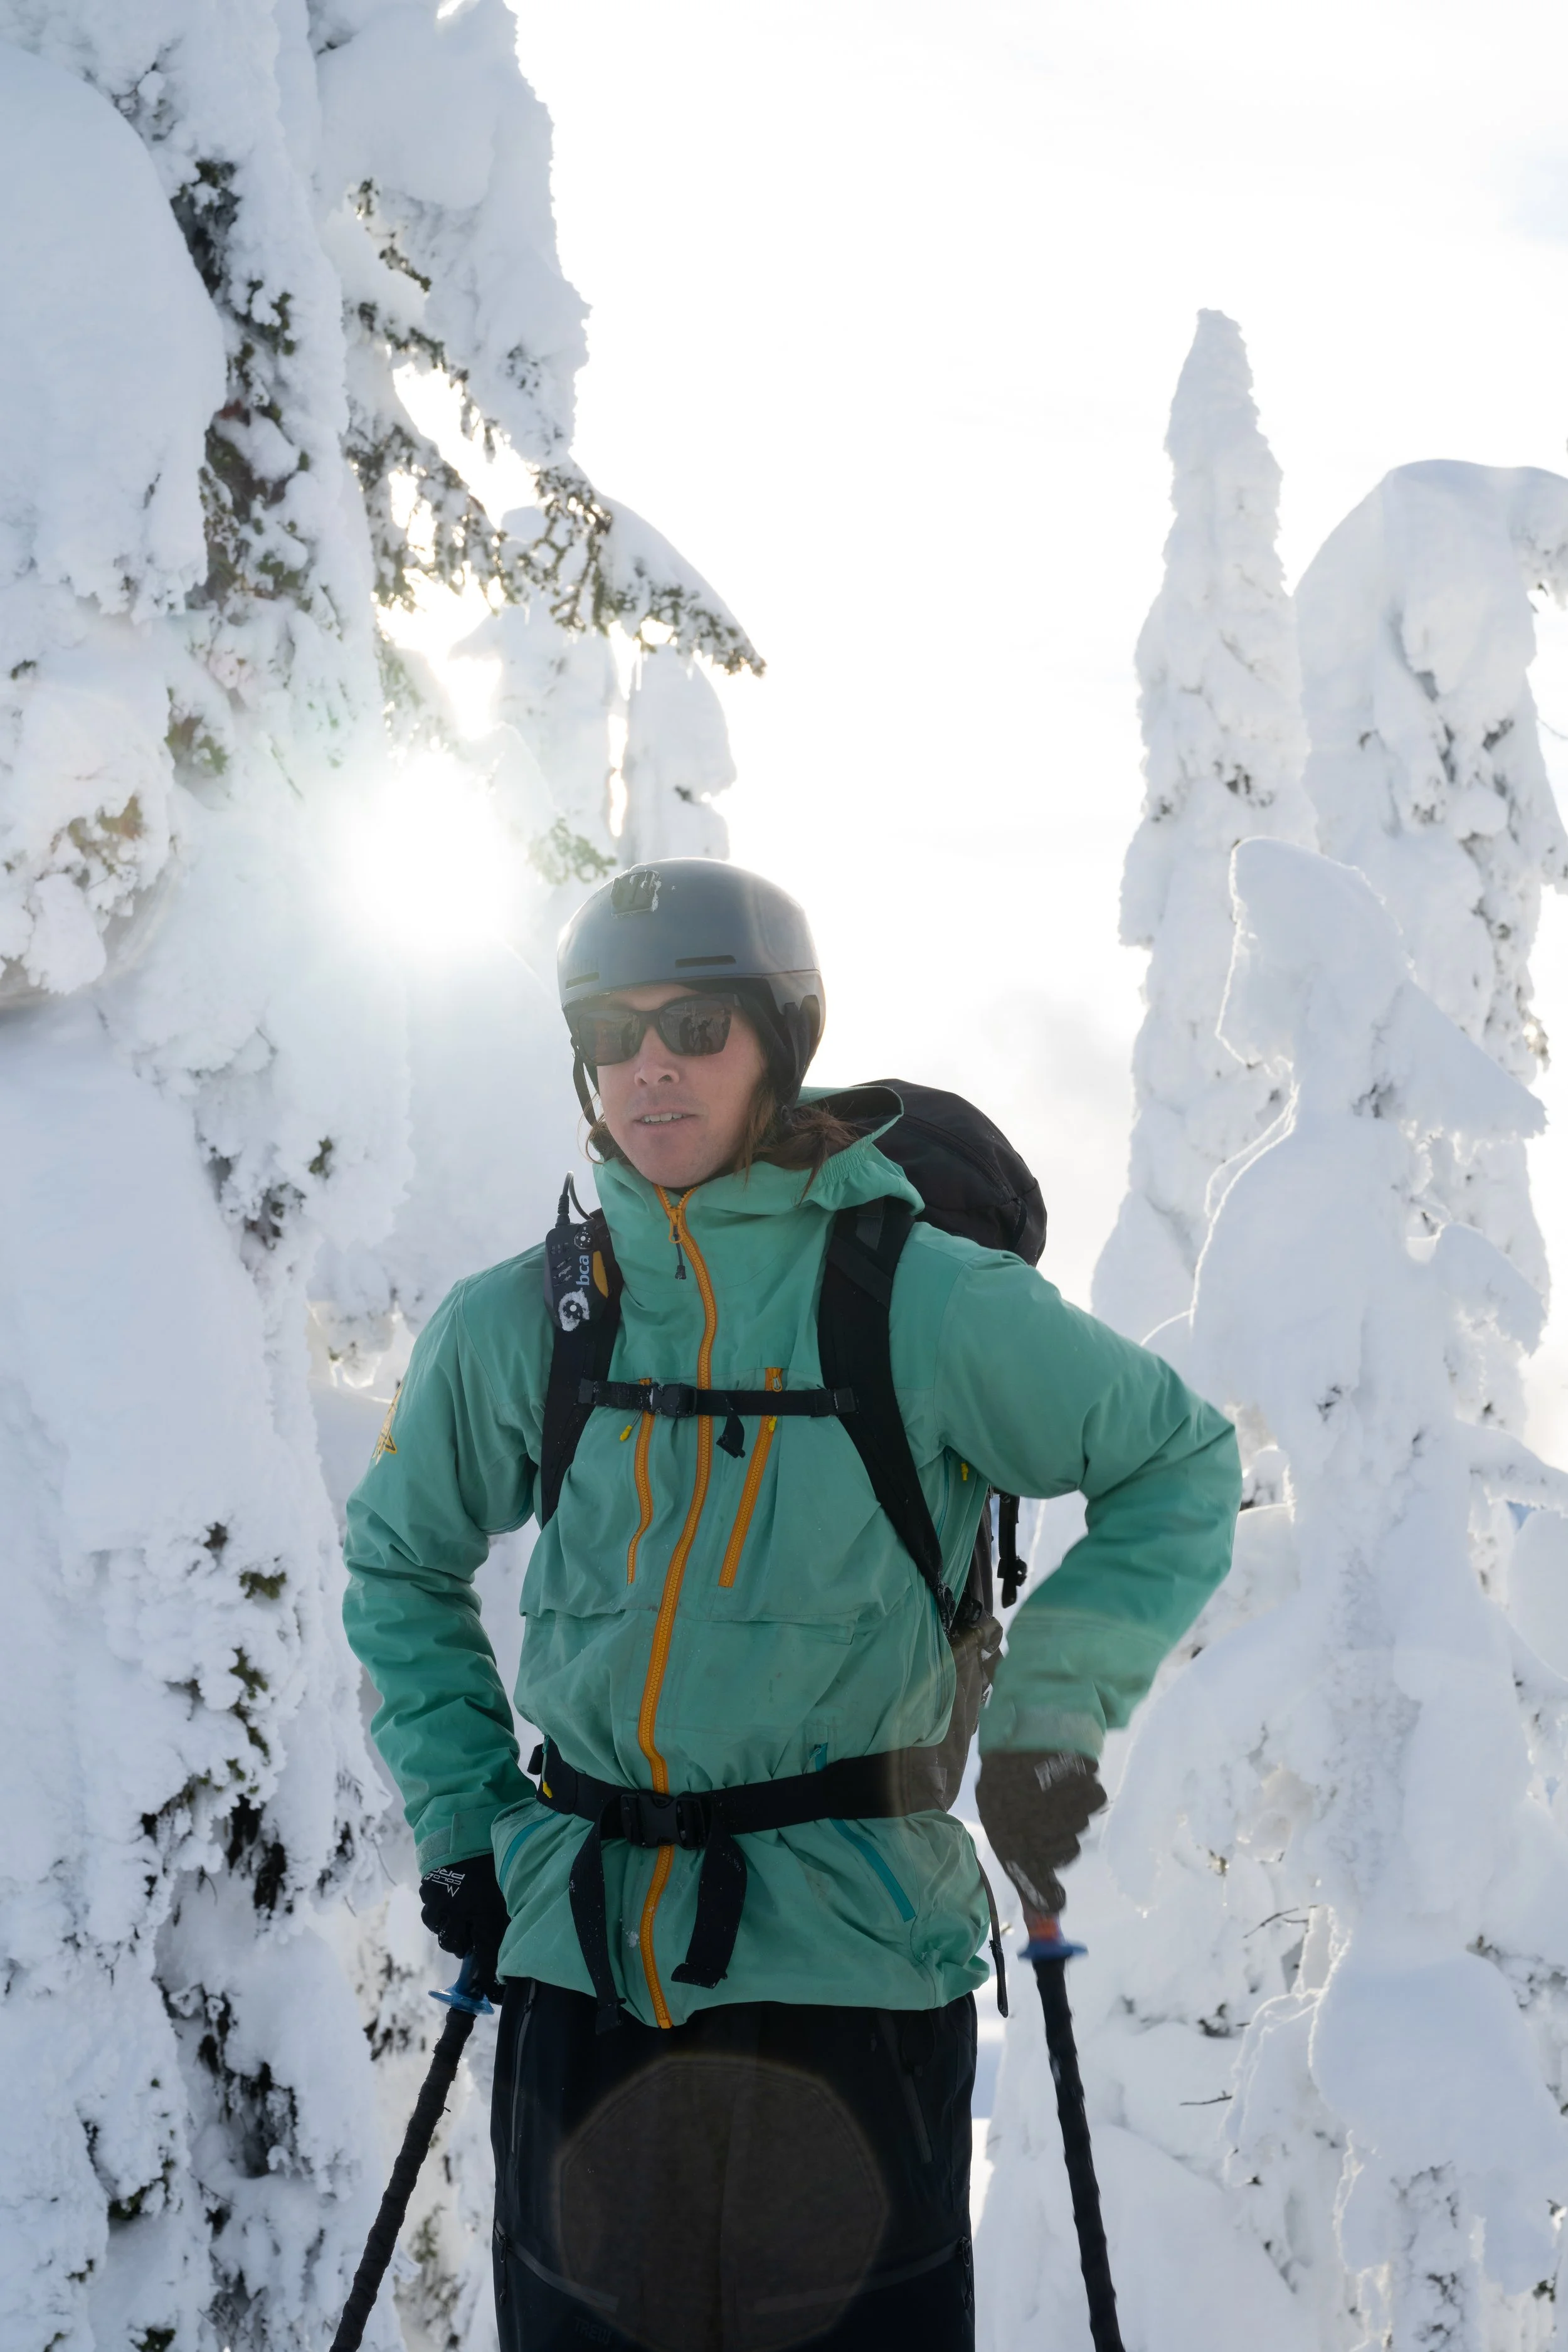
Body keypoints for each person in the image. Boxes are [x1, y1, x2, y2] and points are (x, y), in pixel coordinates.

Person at [342, 859, 1239, 2352]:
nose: (650, 1066)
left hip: (849, 1979)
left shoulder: (916, 1300)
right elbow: (398, 1559)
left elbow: (1177, 1465)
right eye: (612, 1030)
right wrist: (463, 1821)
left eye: (695, 1025)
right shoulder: (532, 1319)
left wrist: (1043, 1723)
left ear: (778, 1041)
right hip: (584, 1979)